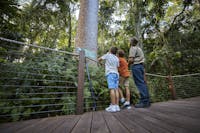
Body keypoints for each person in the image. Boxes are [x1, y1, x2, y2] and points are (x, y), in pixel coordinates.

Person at [128, 37, 150, 108]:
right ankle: (146, 100)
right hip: (141, 66)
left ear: (132, 42)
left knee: (140, 83)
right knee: (142, 83)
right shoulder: (139, 48)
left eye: (129, 40)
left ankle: (144, 102)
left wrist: (126, 65)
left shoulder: (132, 48)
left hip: (136, 66)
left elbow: (131, 60)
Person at [98, 46, 120, 112]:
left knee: (112, 89)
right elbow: (117, 66)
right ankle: (116, 106)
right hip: (116, 73)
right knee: (116, 89)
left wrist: (101, 62)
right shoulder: (117, 58)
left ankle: (113, 106)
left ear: (110, 50)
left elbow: (99, 59)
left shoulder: (107, 55)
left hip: (110, 73)